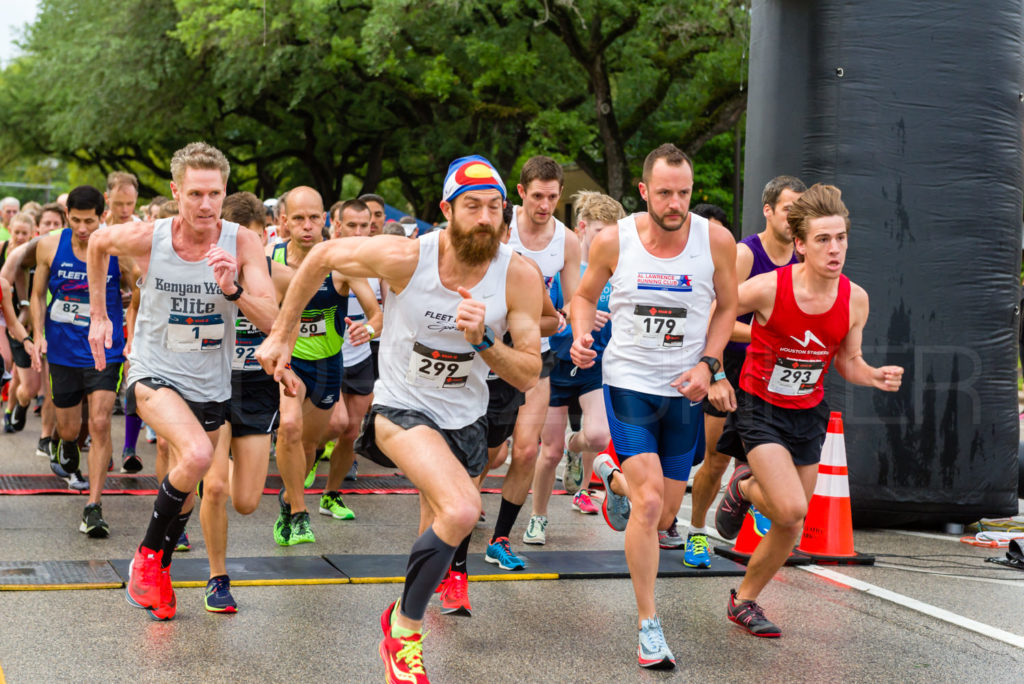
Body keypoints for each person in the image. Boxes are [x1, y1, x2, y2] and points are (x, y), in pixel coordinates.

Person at [258, 154, 543, 684]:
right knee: (462, 509)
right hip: (401, 407)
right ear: (447, 210)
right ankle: (404, 631)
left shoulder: (518, 276)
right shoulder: (407, 257)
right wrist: (280, 333)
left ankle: (406, 617)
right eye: (472, 206)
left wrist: (484, 342)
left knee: (443, 525)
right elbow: (321, 255)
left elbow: (527, 373)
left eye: (494, 208)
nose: (485, 218)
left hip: (468, 416)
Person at [86, 141, 280, 621]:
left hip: (211, 384)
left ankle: (162, 571)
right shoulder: (148, 237)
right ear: (176, 192)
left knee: (189, 488)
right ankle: (147, 558)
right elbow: (97, 243)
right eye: (195, 193)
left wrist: (232, 288)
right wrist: (97, 314)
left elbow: (273, 318)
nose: (206, 205)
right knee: (195, 455)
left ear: (225, 191)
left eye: (214, 193)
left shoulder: (242, 242)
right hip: (154, 372)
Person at [570, 143, 738, 669]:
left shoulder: (715, 241)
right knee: (647, 508)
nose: (675, 203)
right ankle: (648, 624)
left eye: (684, 193)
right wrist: (580, 335)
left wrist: (709, 365)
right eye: (664, 193)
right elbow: (582, 296)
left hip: (684, 389)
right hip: (629, 383)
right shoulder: (613, 241)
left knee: (664, 514)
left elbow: (728, 306)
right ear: (643, 192)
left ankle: (608, 476)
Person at [713, 183, 903, 637]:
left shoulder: (854, 298)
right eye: (822, 239)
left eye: (840, 238)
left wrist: (872, 374)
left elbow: (847, 362)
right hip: (760, 407)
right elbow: (716, 315)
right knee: (792, 506)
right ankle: (743, 489)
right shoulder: (767, 288)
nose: (834, 248)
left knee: (790, 522)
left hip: (809, 412)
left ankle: (745, 600)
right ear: (799, 244)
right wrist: (714, 371)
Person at [683, 177, 807, 567]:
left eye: (801, 211)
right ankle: (697, 533)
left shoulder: (804, 259)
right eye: (789, 209)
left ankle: (751, 508)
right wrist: (764, 334)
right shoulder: (745, 254)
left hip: (774, 368)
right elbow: (715, 317)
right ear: (768, 210)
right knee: (717, 458)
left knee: (772, 455)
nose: (795, 218)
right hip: (732, 361)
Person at [267, 186, 380, 546]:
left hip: (328, 364)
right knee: (288, 428)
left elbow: (377, 311)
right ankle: (299, 513)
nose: (306, 225)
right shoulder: (272, 258)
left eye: (313, 218)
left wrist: (369, 327)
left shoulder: (340, 262)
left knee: (309, 445)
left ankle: (288, 499)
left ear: (325, 221)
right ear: (284, 222)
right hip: (290, 361)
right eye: (298, 218)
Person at [197, 191, 293, 612]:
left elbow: (283, 329)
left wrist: (287, 363)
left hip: (256, 388)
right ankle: (218, 578)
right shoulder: (200, 269)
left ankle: (226, 459)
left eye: (257, 239)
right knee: (215, 487)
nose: (248, 249)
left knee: (247, 502)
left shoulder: (279, 275)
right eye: (241, 241)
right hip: (212, 383)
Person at [487, 155, 581, 570]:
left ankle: (501, 538)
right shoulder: (500, 231)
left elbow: (577, 300)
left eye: (553, 197)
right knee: (488, 455)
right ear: (521, 192)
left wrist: (578, 334)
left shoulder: (567, 241)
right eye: (538, 196)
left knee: (526, 452)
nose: (545, 205)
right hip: (486, 354)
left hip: (534, 355)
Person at [29, 185, 139, 536]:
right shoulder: (49, 245)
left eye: (89, 221)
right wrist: (37, 334)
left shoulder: (116, 248)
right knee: (70, 429)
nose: (82, 228)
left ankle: (93, 506)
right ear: (67, 217)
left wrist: (131, 320)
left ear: (102, 217)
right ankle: (64, 442)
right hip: (62, 351)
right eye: (75, 220)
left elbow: (140, 284)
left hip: (104, 350)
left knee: (102, 422)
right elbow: (35, 294)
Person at [525, 191, 624, 544]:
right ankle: (538, 516)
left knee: (598, 436)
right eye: (599, 232)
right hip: (556, 364)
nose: (607, 241)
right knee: (547, 453)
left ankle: (576, 452)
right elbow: (545, 317)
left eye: (613, 234)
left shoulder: (618, 271)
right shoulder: (565, 268)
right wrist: (575, 316)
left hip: (595, 367)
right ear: (582, 229)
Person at [310, 198, 379, 513]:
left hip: (360, 354)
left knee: (352, 430)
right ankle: (311, 451)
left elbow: (380, 314)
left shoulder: (379, 262)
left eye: (364, 225)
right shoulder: (322, 258)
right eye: (351, 225)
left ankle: (330, 495)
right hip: (326, 354)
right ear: (334, 225)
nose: (358, 231)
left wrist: (370, 330)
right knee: (335, 422)